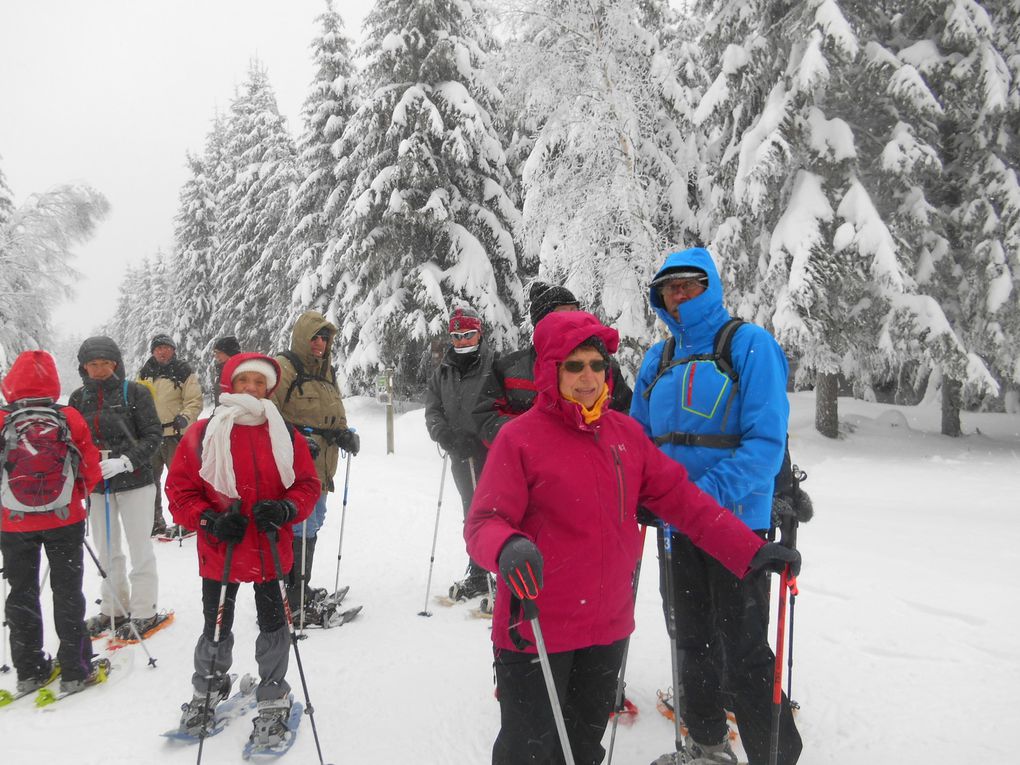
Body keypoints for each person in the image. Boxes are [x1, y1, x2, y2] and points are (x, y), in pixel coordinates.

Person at [465, 311, 800, 765]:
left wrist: (750, 551)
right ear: (550, 370)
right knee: (529, 751)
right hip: (536, 626)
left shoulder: (625, 436)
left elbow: (686, 503)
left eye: (597, 365)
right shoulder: (519, 439)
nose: (588, 378)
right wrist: (507, 545)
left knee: (583, 746)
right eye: (574, 365)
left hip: (605, 628)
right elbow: (484, 522)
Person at [630, 247, 802, 765]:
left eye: (688, 284)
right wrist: (641, 493)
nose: (677, 295)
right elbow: (637, 440)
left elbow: (765, 446)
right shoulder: (656, 359)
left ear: (711, 286)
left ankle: (773, 756)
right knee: (689, 642)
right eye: (668, 288)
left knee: (743, 651)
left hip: (735, 528)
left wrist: (696, 502)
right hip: (673, 530)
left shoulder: (749, 345)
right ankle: (705, 746)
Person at [166, 352, 320, 743]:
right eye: (242, 381)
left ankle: (273, 694)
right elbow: (180, 492)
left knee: (272, 623)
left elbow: (306, 485)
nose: (250, 389)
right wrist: (209, 519)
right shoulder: (203, 432)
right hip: (222, 547)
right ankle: (208, 689)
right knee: (215, 624)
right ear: (229, 385)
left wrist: (287, 508)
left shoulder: (283, 432)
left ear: (268, 387)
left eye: (258, 382)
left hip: (268, 545)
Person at [0, 351, 103, 695]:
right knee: (68, 593)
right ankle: (75, 669)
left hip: (13, 525)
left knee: (22, 593)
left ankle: (29, 670)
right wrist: (74, 495)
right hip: (64, 520)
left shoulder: (1, 419)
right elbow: (90, 472)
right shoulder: (68, 417)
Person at [68, 336, 165, 640]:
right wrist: (84, 470)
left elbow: (152, 435)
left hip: (135, 482)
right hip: (97, 485)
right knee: (107, 550)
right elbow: (71, 441)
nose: (99, 370)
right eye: (93, 364)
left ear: (116, 363)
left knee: (139, 548)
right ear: (84, 366)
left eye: (105, 364)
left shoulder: (134, 392)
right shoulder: (77, 398)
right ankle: (113, 606)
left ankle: (144, 609)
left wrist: (126, 461)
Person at [271, 311, 359, 619]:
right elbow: (268, 412)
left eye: (325, 338)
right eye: (315, 338)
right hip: (297, 461)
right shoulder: (285, 367)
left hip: (323, 461)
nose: (320, 344)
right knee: (300, 522)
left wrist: (344, 432)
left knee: (315, 518)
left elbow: (334, 406)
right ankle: (292, 596)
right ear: (302, 338)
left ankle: (300, 586)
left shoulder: (326, 372)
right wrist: (294, 440)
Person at [473, 281, 632, 447]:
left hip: (591, 466)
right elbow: (486, 416)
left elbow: (627, 412)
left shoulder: (601, 365)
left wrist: (598, 437)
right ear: (542, 323)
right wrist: (530, 436)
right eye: (565, 314)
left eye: (575, 311)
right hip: (530, 468)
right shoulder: (509, 368)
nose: (575, 319)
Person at [424, 305, 497, 601]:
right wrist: (443, 435)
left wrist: (484, 436)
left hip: (491, 452)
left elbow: (504, 406)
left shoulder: (494, 364)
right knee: (472, 511)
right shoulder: (443, 372)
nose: (463, 341)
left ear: (479, 334)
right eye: (457, 336)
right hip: (459, 454)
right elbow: (433, 410)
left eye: (468, 335)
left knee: (498, 511)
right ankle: (479, 571)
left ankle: (503, 567)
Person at [138, 333, 203, 536]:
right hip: (151, 436)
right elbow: (136, 401)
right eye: (158, 348)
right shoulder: (145, 373)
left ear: (173, 350)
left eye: (166, 348)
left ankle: (185, 522)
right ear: (153, 352)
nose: (162, 351)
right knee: (149, 482)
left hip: (176, 435)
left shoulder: (183, 371)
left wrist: (185, 417)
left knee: (179, 481)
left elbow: (194, 400)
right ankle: (154, 522)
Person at [211, 335, 241, 406]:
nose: (216, 356)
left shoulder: (239, 371)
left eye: (219, 352)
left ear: (229, 352)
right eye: (215, 353)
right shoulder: (223, 370)